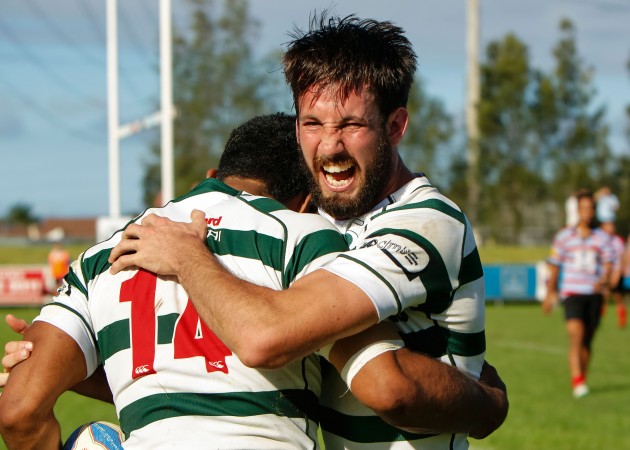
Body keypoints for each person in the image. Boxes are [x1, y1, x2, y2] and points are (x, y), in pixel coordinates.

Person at [108, 15, 507, 448]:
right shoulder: (306, 220)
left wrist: (186, 256)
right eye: (312, 124)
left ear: (395, 127)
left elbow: (265, 340)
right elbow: (225, 368)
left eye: (351, 125)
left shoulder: (426, 223)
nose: (330, 145)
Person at [0, 114, 505, 449]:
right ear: (306, 198)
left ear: (213, 174)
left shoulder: (103, 254)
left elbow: (19, 410)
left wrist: (76, 371)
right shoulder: (304, 235)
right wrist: (483, 401)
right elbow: (383, 383)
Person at [543, 190, 614, 398]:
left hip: (594, 294)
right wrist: (550, 294)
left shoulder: (602, 237)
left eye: (591, 208)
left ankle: (582, 376)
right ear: (577, 210)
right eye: (584, 208)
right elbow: (554, 267)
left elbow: (609, 263)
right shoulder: (564, 237)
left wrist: (604, 279)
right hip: (572, 293)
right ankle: (577, 381)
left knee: (588, 340)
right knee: (576, 335)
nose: (588, 212)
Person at [599, 221, 627, 328]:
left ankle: (622, 322)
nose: (611, 228)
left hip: (616, 273)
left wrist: (618, 272)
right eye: (608, 225)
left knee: (619, 298)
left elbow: (622, 257)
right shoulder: (599, 239)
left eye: (612, 225)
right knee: (602, 297)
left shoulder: (617, 240)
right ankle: (598, 320)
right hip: (604, 273)